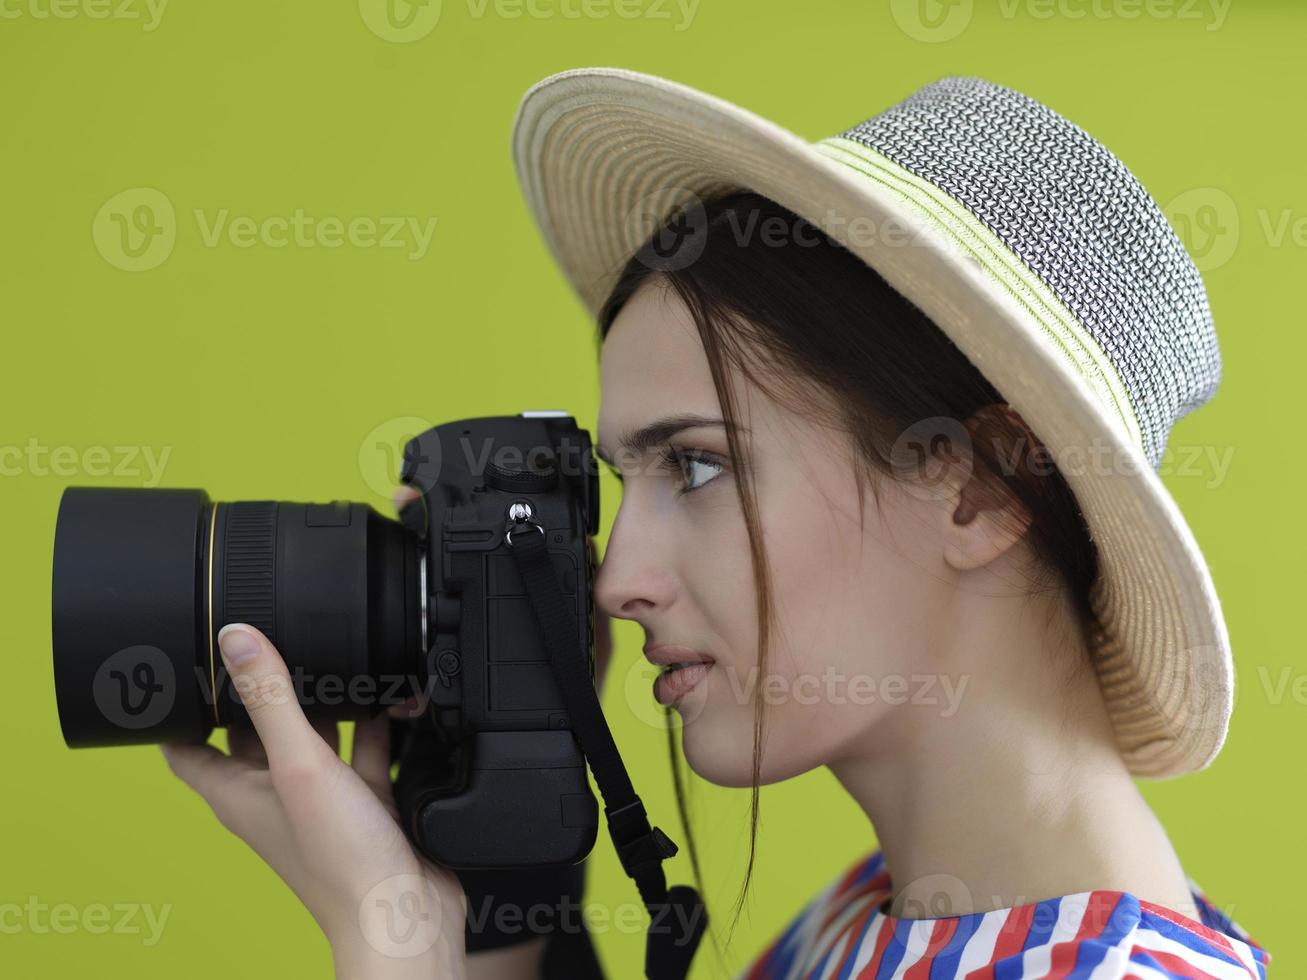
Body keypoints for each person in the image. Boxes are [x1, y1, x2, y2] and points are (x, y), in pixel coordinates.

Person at [161, 69, 1274, 979]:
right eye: (620, 480)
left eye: (694, 465)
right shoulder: (878, 922)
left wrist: (383, 947)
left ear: (975, 486)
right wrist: (498, 854)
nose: (612, 581)